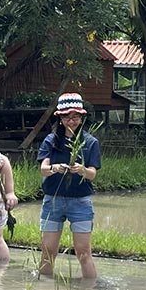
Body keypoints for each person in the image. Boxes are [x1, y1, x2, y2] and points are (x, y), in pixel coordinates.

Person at [36, 92, 100, 279]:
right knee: (48, 251)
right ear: (60, 118)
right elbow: (43, 169)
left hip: (80, 202)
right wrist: (55, 168)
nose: (71, 121)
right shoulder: (51, 140)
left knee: (83, 251)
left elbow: (93, 174)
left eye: (75, 117)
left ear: (82, 117)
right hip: (53, 200)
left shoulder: (90, 142)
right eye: (67, 117)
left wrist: (81, 170)